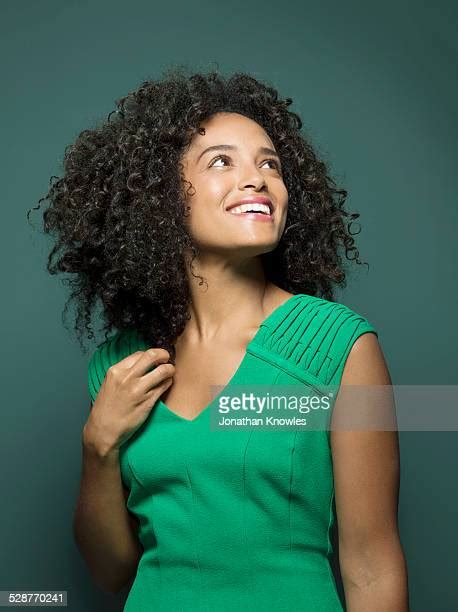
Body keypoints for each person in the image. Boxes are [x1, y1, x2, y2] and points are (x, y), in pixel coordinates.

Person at [30, 65, 409, 610]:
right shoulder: (121, 365)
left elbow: (373, 570)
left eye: (270, 165)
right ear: (161, 196)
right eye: (221, 161)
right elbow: (111, 572)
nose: (257, 179)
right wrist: (98, 447)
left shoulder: (338, 347)